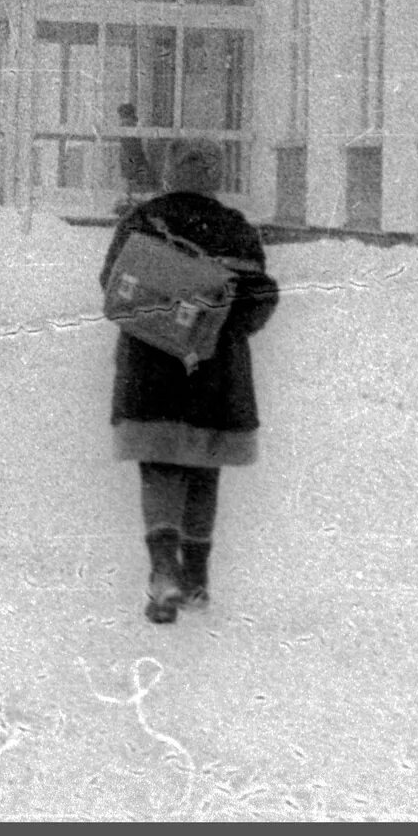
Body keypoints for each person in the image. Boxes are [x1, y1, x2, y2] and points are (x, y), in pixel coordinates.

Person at [100, 141, 279, 624]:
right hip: (214, 370)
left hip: (149, 366)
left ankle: (163, 574)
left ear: (169, 173)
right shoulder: (237, 229)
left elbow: (112, 282)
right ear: (214, 177)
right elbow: (260, 297)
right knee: (204, 469)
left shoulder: (142, 220)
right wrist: (216, 328)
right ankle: (196, 578)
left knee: (159, 467)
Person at [114, 101, 163, 209]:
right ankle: (132, 200)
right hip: (132, 156)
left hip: (132, 156)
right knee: (135, 179)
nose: (124, 121)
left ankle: (132, 200)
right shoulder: (131, 125)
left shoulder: (128, 125)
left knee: (135, 179)